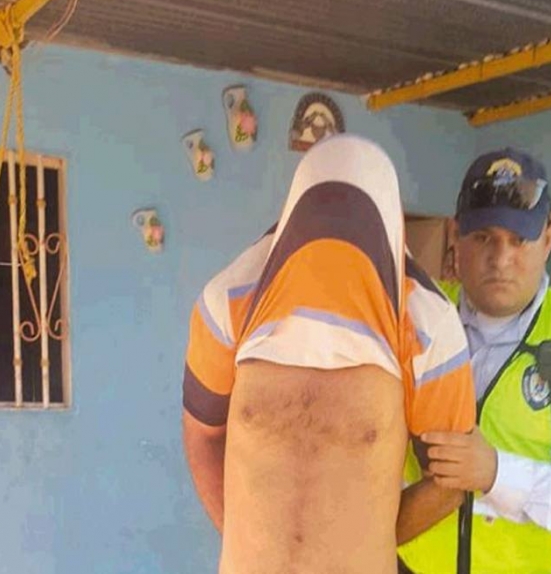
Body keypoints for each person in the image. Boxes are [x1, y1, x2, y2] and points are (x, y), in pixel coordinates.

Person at [181, 134, 476, 574]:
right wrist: (249, 543)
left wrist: (356, 548)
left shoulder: (430, 325)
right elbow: (202, 436)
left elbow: (451, 482)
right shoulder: (228, 300)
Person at [397, 148, 551, 574]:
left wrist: (497, 474)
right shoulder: (414, 318)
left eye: (519, 239)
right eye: (482, 237)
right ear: (455, 235)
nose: (501, 258)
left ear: (548, 238)